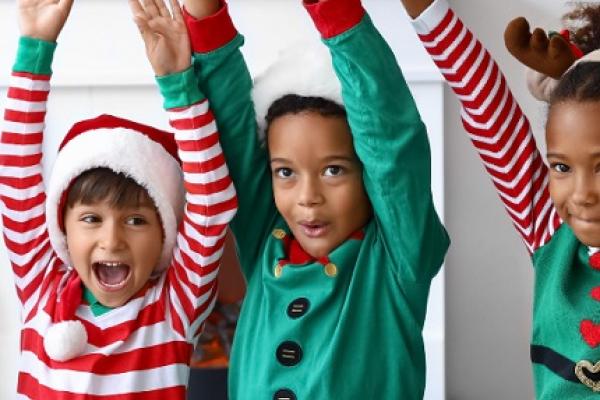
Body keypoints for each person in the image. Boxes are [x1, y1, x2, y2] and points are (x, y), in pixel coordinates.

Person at [180, 0, 449, 398]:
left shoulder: (394, 258)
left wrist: (335, 11)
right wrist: (202, 14)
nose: (307, 198)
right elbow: (233, 128)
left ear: (367, 174)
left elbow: (392, 142)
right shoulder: (265, 240)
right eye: (285, 172)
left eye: (333, 170)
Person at [4, 0, 236, 398]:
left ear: (165, 233)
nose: (112, 240)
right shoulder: (42, 287)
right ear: (62, 228)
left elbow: (212, 202)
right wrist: (35, 47)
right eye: (91, 219)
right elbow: (16, 175)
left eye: (136, 220)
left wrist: (179, 83)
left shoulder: (173, 307)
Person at [401, 0, 600, 396]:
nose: (581, 195)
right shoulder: (550, 233)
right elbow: (482, 98)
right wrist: (425, 11)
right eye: (560, 167)